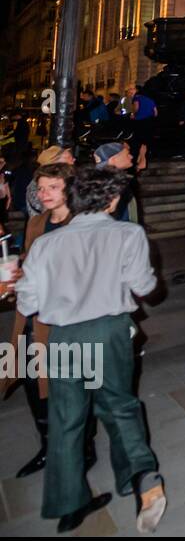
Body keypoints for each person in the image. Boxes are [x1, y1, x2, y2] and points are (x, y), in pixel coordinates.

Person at [15, 166, 168, 534]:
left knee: (66, 422)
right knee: (121, 407)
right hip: (107, 331)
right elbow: (145, 285)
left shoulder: (46, 244)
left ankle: (70, 507)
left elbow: (28, 302)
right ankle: (142, 479)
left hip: (63, 336)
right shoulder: (127, 234)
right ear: (112, 200)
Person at [1, 163, 98, 480]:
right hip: (32, 320)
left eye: (51, 187)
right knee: (33, 386)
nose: (43, 194)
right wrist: (17, 274)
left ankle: (84, 448)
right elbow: (31, 259)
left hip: (69, 324)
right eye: (40, 188)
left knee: (72, 389)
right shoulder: (37, 222)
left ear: (70, 189)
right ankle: (48, 446)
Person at [126, 84, 158, 173]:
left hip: (140, 122)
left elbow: (136, 108)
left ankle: (136, 164)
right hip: (150, 122)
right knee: (145, 143)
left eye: (131, 89)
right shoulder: (150, 100)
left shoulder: (136, 98)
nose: (129, 92)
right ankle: (143, 162)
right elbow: (155, 113)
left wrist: (133, 115)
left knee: (137, 143)